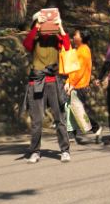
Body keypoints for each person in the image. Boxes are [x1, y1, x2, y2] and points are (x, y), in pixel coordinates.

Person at [22, 10, 71, 163]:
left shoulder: (55, 38)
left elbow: (67, 46)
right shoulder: (34, 38)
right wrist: (36, 27)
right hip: (36, 81)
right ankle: (35, 151)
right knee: (37, 120)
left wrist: (60, 26)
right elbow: (26, 44)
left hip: (52, 81)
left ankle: (65, 150)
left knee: (59, 118)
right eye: (41, 22)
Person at [65, 28, 103, 143]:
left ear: (81, 38)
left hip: (79, 86)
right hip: (76, 84)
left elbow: (79, 70)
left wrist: (72, 84)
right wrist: (68, 81)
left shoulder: (83, 51)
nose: (74, 36)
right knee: (70, 108)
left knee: (79, 112)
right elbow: (72, 70)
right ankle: (71, 134)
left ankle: (95, 127)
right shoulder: (79, 50)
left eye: (76, 34)